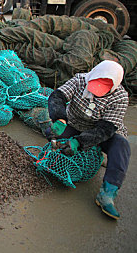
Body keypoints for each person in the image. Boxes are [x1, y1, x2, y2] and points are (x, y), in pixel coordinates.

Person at [47, 60, 131, 220]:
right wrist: (59, 118)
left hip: (104, 133)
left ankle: (107, 194)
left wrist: (79, 142)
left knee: (121, 146)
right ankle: (80, 155)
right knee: (51, 133)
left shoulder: (120, 97)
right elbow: (57, 96)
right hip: (76, 124)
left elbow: (105, 129)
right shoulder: (80, 80)